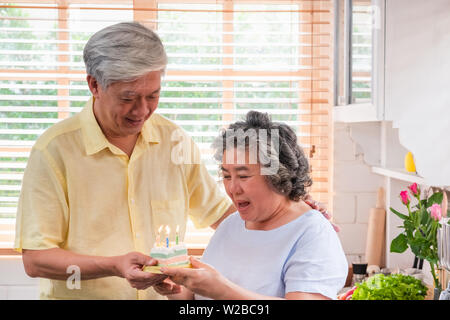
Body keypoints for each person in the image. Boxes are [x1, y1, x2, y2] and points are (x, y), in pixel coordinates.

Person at [14, 22, 332, 300]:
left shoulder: (174, 141)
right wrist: (113, 266)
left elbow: (227, 215)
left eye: (152, 95)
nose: (141, 110)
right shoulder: (54, 151)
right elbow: (36, 260)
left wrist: (293, 209)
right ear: (94, 85)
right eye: (128, 98)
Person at [154, 111, 348, 300]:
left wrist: (222, 291)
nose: (232, 188)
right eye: (227, 176)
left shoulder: (312, 233)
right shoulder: (231, 224)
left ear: (278, 176)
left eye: (243, 176)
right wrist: (175, 283)